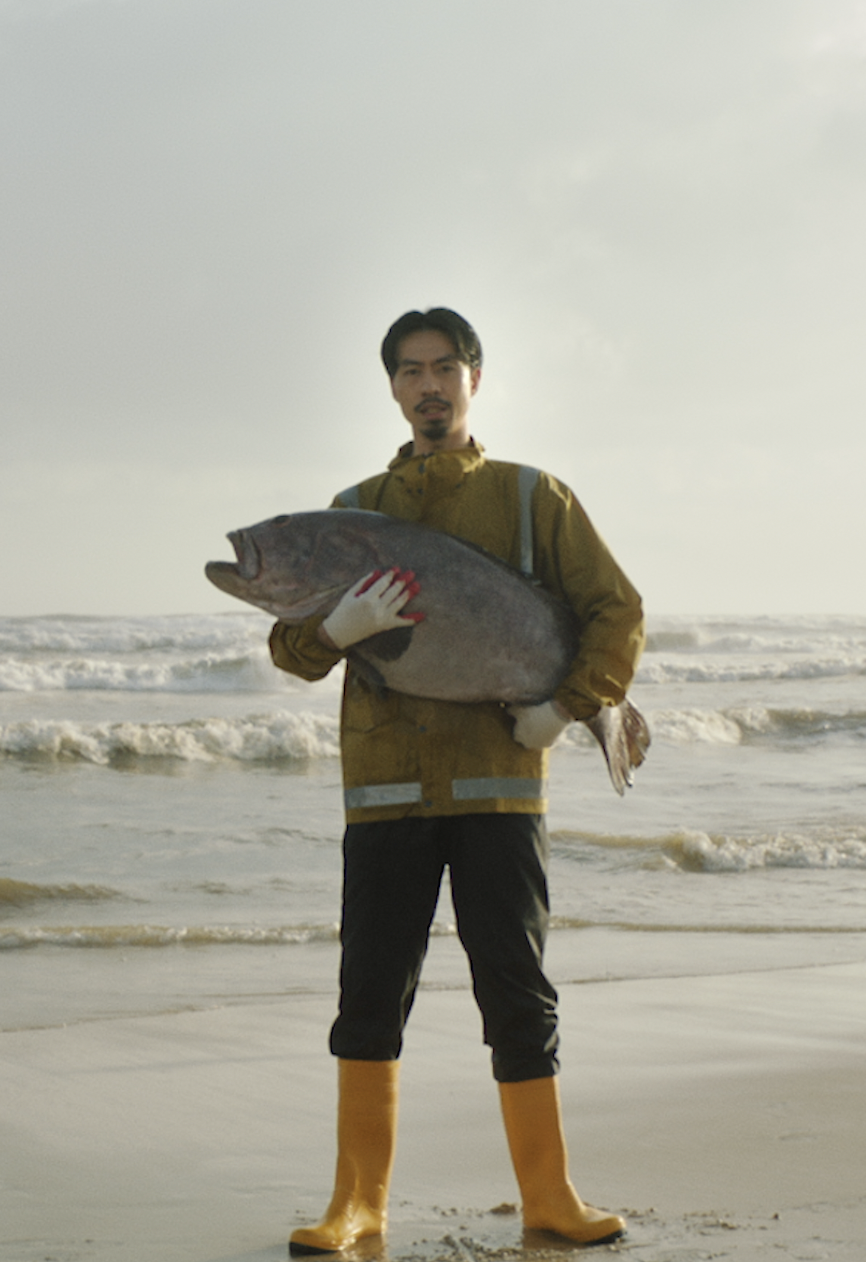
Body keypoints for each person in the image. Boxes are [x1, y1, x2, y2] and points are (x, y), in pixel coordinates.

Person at [269, 308, 645, 1254]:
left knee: (517, 991)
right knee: (368, 994)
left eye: (445, 368)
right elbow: (291, 650)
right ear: (392, 387)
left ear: (475, 378)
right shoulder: (354, 506)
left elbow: (616, 609)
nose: (428, 385)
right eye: (410, 371)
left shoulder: (532, 499)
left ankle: (551, 1196)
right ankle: (356, 1205)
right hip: (386, 788)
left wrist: (568, 706)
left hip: (500, 788)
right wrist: (332, 630)